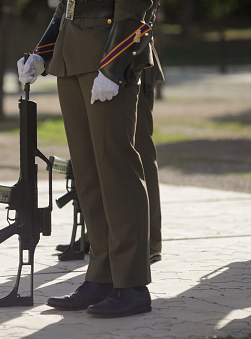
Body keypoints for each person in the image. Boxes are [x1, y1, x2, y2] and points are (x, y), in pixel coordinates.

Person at [18, 0, 155, 317]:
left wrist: (113, 67)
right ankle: (102, 276)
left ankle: (132, 285)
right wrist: (43, 53)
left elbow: (133, 8)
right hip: (71, 61)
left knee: (116, 172)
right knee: (88, 175)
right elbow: (68, 7)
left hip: (105, 59)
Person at [55, 0, 164, 265]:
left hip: (121, 53)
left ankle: (145, 243)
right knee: (95, 164)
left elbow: (136, 8)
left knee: (127, 158)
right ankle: (104, 249)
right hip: (87, 51)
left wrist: (114, 64)